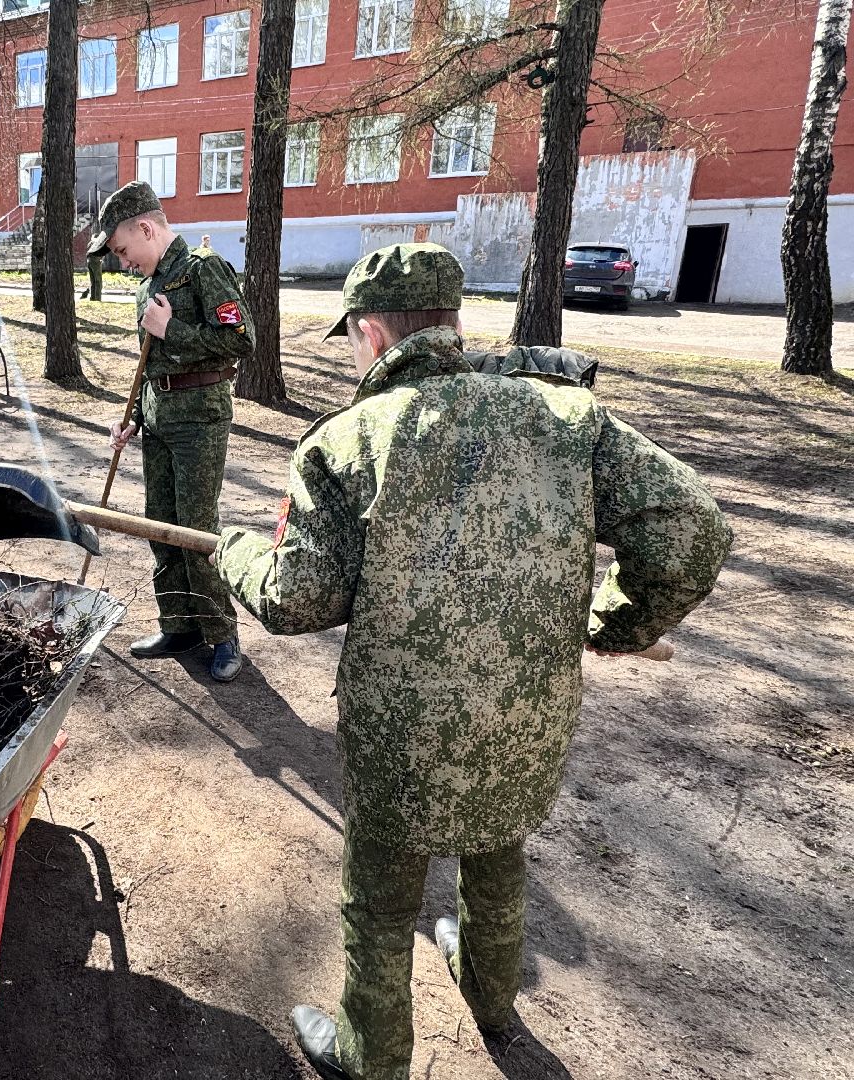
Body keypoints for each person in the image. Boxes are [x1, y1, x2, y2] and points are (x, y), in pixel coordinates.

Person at [212, 243, 732, 1080]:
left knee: (381, 900)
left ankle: (370, 1051)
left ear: (373, 334)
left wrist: (234, 550)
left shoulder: (348, 440)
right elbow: (695, 530)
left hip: (401, 735)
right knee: (499, 849)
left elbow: (297, 598)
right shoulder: (567, 417)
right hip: (526, 718)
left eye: (351, 338)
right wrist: (615, 621)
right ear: (453, 325)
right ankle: (491, 998)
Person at [93, 180, 252, 683]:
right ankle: (179, 624)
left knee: (195, 528)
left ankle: (223, 635)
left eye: (122, 250)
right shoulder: (149, 284)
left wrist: (172, 330)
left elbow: (240, 340)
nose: (123, 262)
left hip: (199, 419)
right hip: (160, 416)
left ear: (145, 228)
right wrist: (134, 416)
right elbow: (150, 362)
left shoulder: (203, 270)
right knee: (159, 520)